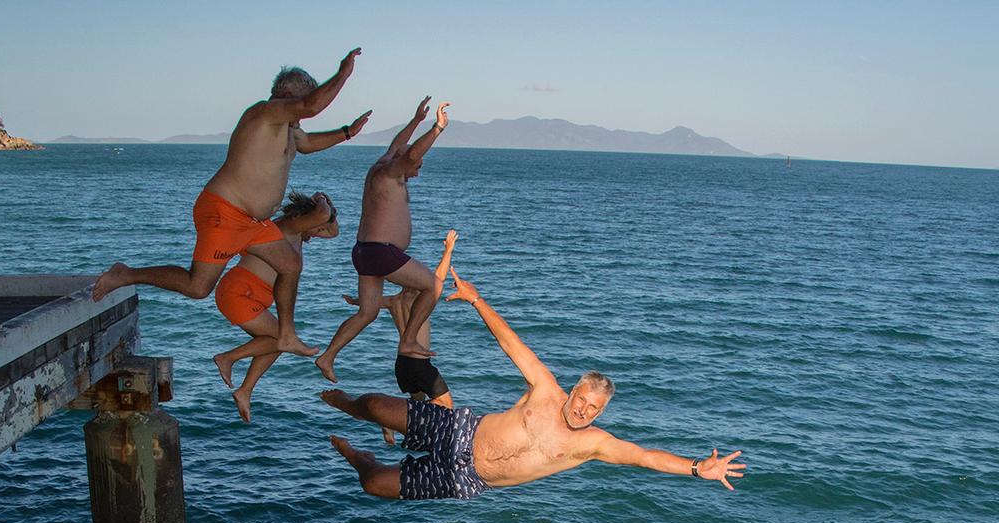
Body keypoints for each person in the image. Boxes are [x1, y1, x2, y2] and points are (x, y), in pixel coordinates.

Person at [320, 268, 746, 501]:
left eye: (594, 409)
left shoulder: (594, 443)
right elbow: (512, 344)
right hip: (459, 432)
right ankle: (347, 404)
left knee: (374, 483)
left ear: (601, 413)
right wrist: (476, 300)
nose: (584, 411)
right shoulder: (545, 390)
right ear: (574, 392)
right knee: (376, 405)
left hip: (466, 481)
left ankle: (356, 454)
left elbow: (645, 457)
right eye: (582, 401)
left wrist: (695, 467)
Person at [93, 51, 370, 356]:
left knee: (290, 264)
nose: (302, 115)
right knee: (198, 287)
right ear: (290, 95)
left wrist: (346, 133)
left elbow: (308, 143)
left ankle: (286, 335)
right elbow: (312, 105)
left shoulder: (290, 129)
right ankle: (126, 274)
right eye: (303, 101)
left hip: (251, 221)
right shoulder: (264, 113)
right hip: (225, 211)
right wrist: (343, 73)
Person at [315, 96, 450, 382]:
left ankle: (327, 357)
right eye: (418, 166)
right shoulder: (392, 172)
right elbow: (411, 154)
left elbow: (399, 146)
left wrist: (415, 120)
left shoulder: (383, 163)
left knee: (368, 313)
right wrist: (436, 129)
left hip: (364, 252)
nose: (418, 171)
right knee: (433, 285)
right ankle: (409, 340)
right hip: (381, 252)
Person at [212, 190, 339, 423]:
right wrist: (321, 201)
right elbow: (322, 216)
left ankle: (244, 391)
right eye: (317, 227)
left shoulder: (298, 236)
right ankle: (228, 358)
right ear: (303, 217)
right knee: (282, 339)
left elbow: (332, 231)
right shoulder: (285, 227)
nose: (319, 233)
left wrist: (328, 206)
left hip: (249, 295)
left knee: (280, 341)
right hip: (239, 292)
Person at [341, 229, 458, 444]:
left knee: (417, 403)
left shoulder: (393, 301)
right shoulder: (420, 299)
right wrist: (448, 250)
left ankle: (393, 421)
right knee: (446, 405)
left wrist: (355, 300)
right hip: (419, 363)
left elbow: (369, 301)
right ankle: (387, 418)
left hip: (402, 365)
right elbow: (438, 278)